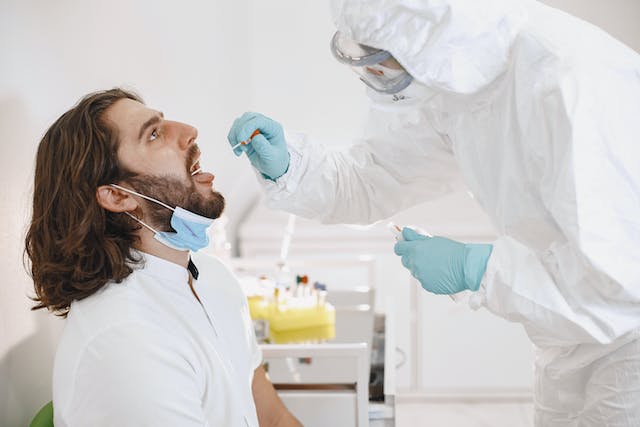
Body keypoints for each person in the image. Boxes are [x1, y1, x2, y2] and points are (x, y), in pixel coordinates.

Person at [226, 0, 640, 425]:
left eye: (382, 56)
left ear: (423, 32)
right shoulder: (460, 77)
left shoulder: (568, 83)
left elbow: (617, 286)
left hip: (628, 350)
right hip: (568, 339)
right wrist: (292, 168)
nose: (378, 74)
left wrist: (478, 269)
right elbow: (377, 177)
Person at [25, 88, 302, 427]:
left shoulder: (214, 280)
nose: (188, 131)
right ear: (116, 195)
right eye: (154, 134)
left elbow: (273, 419)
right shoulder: (127, 339)